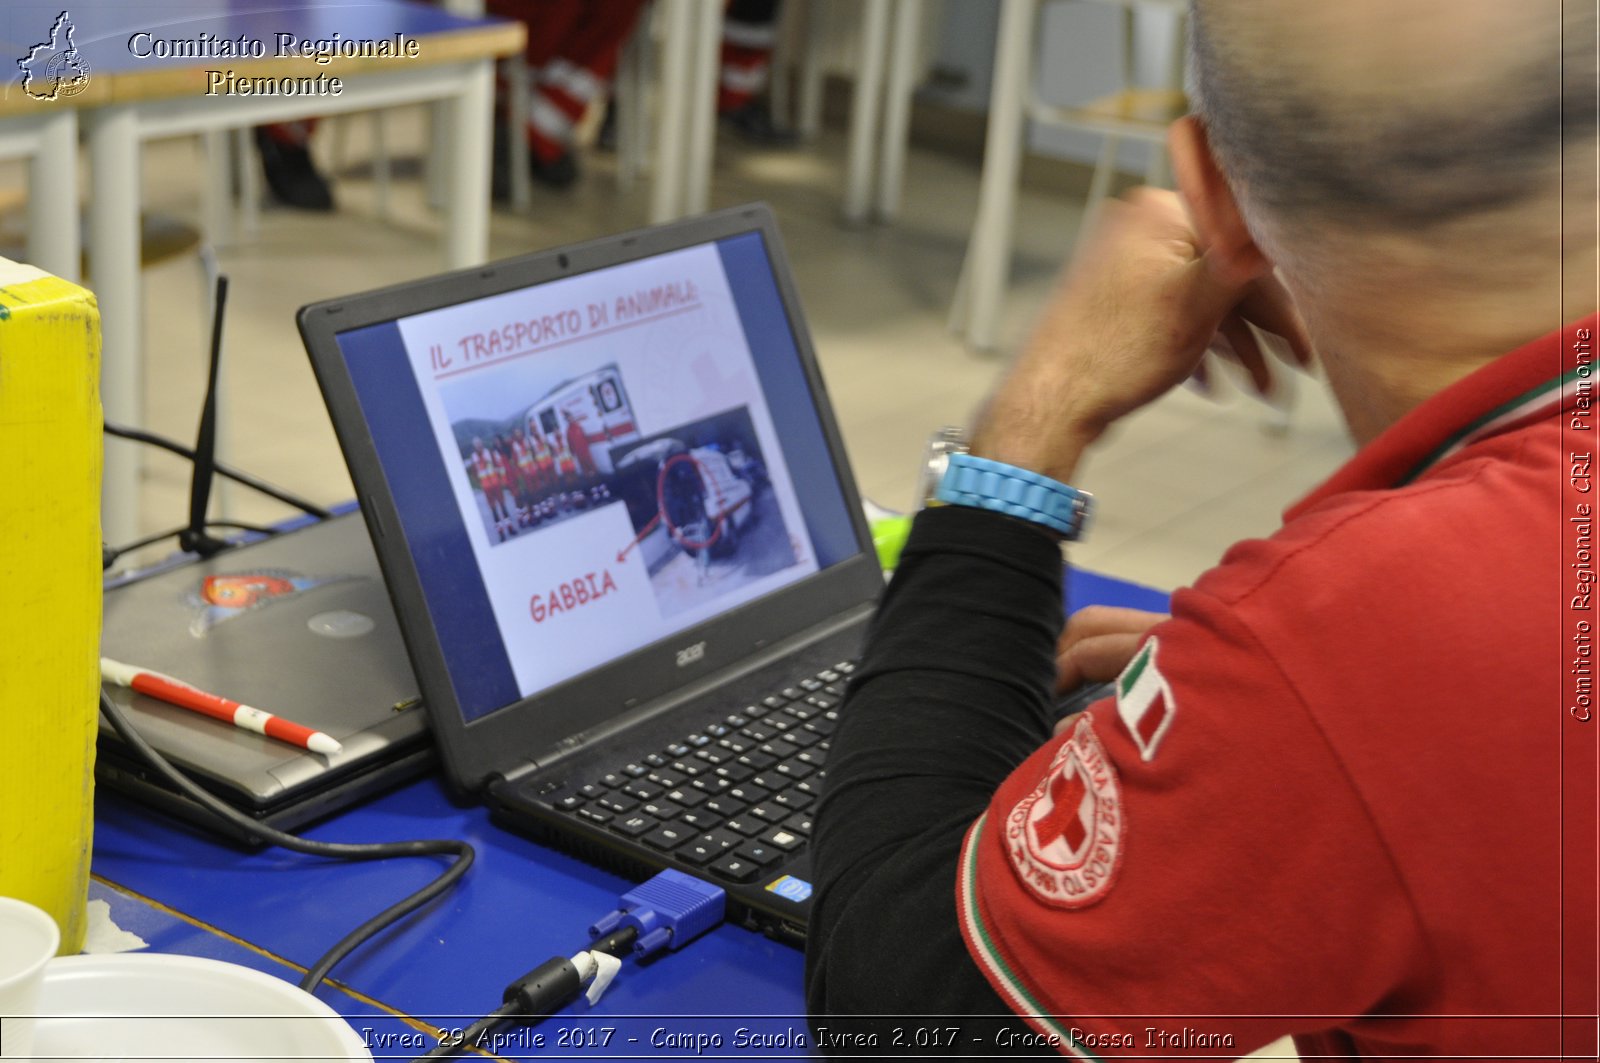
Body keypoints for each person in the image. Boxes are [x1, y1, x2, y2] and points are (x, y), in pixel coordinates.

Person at [805, 1, 1597, 1058]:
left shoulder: (1374, 632)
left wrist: (1023, 440)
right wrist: (1275, 727)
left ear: (1214, 197)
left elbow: (902, 1018)